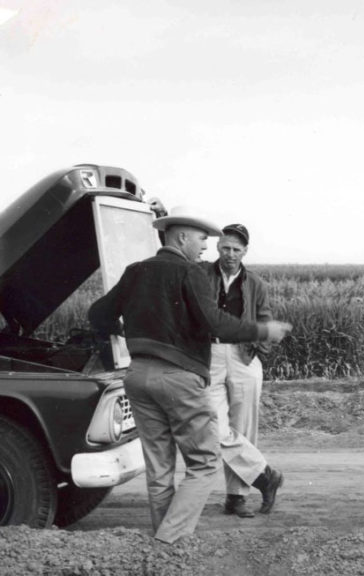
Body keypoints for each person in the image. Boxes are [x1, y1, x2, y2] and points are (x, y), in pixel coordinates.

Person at [88, 206, 292, 544]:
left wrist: (123, 330)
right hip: (180, 378)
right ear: (182, 237)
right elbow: (215, 323)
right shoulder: (191, 272)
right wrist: (261, 329)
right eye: (201, 239)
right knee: (204, 462)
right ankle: (168, 542)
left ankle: (167, 542)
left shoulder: (135, 271)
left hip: (137, 376)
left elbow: (98, 314)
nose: (204, 247)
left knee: (159, 467)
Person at [201, 224, 283, 518]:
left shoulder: (256, 284)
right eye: (226, 248)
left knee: (244, 428)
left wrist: (258, 353)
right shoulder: (200, 276)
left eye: (237, 249)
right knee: (213, 425)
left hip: (243, 356)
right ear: (217, 247)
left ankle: (236, 499)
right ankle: (266, 476)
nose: (230, 254)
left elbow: (265, 318)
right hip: (209, 354)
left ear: (245, 251)